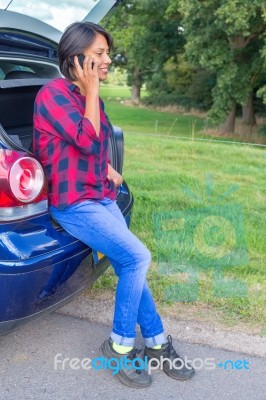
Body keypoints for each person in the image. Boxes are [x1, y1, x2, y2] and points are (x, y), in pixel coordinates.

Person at [33, 21, 195, 388]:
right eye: (99, 55)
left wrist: (106, 167)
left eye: (107, 53)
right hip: (73, 202)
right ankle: (120, 346)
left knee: (128, 260)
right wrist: (92, 93)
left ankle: (156, 343)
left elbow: (92, 142)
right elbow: (86, 139)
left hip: (99, 192)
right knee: (138, 257)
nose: (108, 60)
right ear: (76, 58)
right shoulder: (52, 94)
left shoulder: (89, 97)